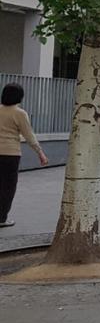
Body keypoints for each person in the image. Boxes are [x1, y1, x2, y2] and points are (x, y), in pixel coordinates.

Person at [1, 83, 48, 228]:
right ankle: (1, 218)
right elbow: (29, 135)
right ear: (20, 97)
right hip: (10, 154)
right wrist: (40, 152)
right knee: (8, 187)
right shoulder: (19, 113)